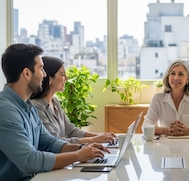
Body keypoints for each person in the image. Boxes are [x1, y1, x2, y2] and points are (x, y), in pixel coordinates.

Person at [0, 44, 109, 181]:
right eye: (41, 69)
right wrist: (78, 155)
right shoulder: (5, 111)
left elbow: (49, 143)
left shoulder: (28, 106)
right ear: (27, 73)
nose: (44, 75)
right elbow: (29, 160)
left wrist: (82, 148)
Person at [30, 56, 116, 144]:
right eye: (62, 74)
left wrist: (99, 136)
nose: (66, 78)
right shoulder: (36, 107)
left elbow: (71, 131)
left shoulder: (54, 101)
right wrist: (92, 140)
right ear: (49, 79)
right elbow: (54, 142)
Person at [142, 60, 189, 136]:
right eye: (172, 73)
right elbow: (146, 126)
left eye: (181, 74)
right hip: (165, 145)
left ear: (188, 79)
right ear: (168, 77)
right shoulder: (157, 98)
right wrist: (166, 130)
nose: (176, 77)